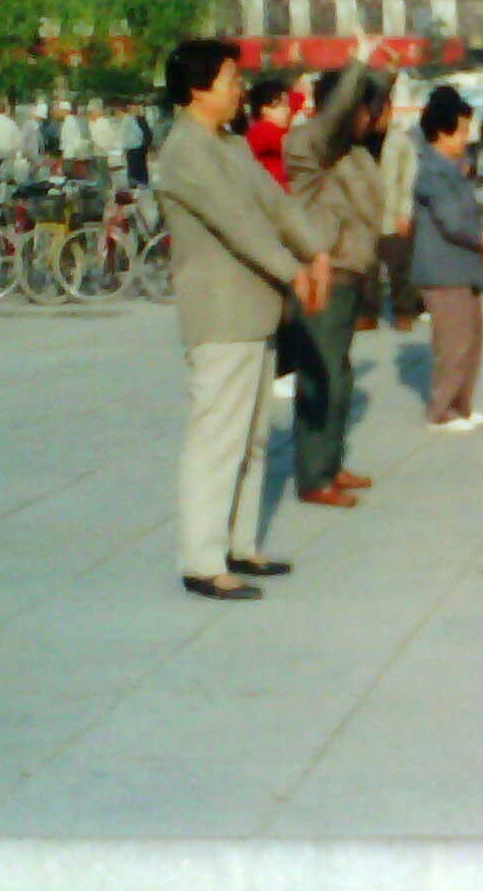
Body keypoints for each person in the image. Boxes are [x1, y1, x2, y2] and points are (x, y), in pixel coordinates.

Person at [156, 38, 332, 602]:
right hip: (220, 313)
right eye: (231, 79)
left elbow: (275, 205)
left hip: (253, 311)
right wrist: (292, 271)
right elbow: (238, 223)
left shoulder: (229, 145)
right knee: (217, 439)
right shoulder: (185, 152)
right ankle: (202, 561)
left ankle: (238, 544)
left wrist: (315, 249)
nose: (240, 89)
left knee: (251, 439)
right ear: (198, 88)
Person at [283, 54, 386, 506]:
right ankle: (314, 477)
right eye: (361, 110)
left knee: (338, 377)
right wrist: (358, 66)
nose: (369, 118)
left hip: (350, 273)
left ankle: (330, 463)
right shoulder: (313, 146)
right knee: (321, 377)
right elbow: (338, 114)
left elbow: (368, 108)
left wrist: (385, 73)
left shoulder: (353, 152)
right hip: (324, 274)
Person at [412, 88, 483, 431]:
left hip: (461, 268)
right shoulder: (433, 172)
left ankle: (461, 404)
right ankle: (441, 411)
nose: (467, 138)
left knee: (471, 338)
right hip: (443, 269)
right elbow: (452, 220)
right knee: (453, 342)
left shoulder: (450, 168)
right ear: (442, 132)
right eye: (462, 131)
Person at [372, 101, 422, 331]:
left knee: (400, 266)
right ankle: (367, 312)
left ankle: (404, 311)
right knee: (367, 268)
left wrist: (405, 212)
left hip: (394, 213)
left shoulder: (401, 142)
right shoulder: (360, 142)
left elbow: (409, 179)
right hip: (368, 215)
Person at [245, 77, 293, 191]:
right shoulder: (261, 130)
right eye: (280, 105)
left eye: (287, 105)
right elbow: (289, 143)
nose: (287, 110)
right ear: (264, 109)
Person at [122, 101, 153, 187]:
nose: (137, 109)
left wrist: (147, 144)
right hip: (132, 148)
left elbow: (146, 132)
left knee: (141, 166)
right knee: (134, 166)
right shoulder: (127, 119)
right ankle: (135, 182)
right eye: (135, 107)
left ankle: (142, 181)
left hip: (141, 147)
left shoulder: (140, 119)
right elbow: (126, 135)